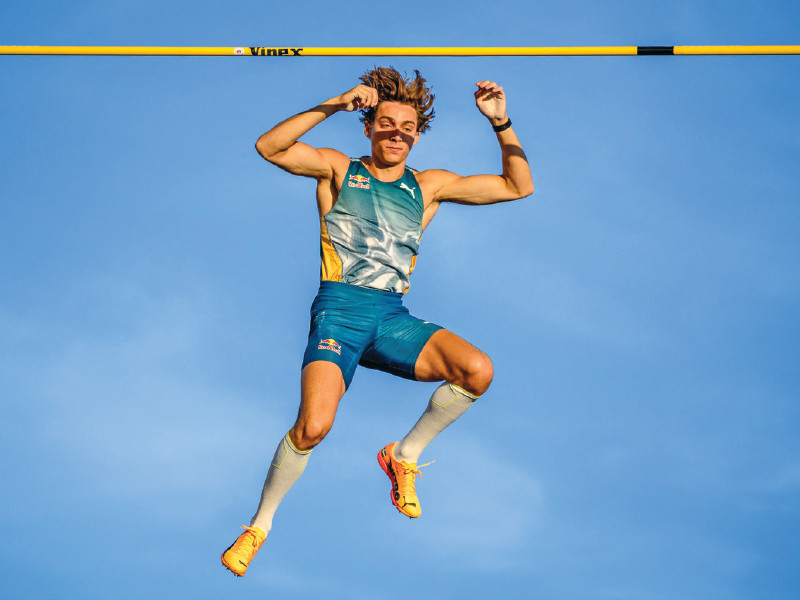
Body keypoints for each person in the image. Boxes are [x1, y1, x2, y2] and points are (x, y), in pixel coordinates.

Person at [221, 67, 533, 577]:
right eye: (386, 123)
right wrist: (336, 102)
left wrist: (501, 122)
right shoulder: (338, 169)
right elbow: (269, 147)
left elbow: (518, 186)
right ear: (368, 127)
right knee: (313, 427)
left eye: (406, 127)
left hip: (391, 318)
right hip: (340, 314)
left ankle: (403, 455)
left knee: (477, 370)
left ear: (416, 133)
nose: (396, 133)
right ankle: (260, 525)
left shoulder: (428, 186)